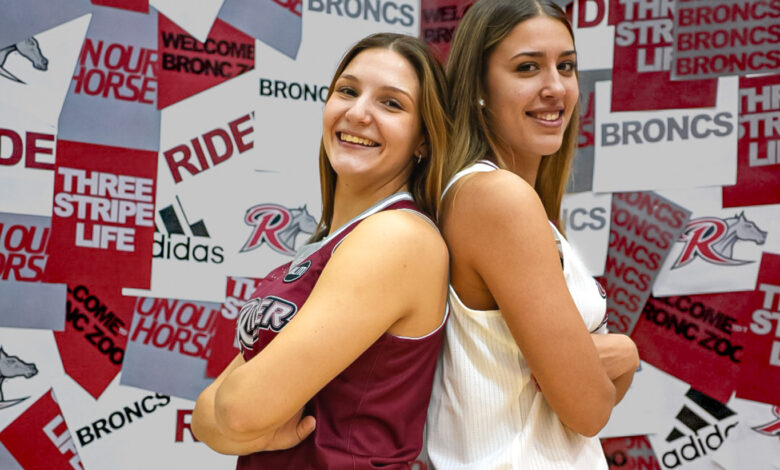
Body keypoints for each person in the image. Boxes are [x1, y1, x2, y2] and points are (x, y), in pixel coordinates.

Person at [191, 33, 450, 469]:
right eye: (347, 91)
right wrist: (227, 417)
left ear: (424, 139)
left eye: (392, 104)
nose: (358, 112)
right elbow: (205, 418)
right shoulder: (335, 241)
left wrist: (234, 416)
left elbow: (237, 409)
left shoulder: (396, 237)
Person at [425, 0, 640, 468]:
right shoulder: (498, 198)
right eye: (527, 68)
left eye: (566, 66)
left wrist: (597, 364)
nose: (555, 88)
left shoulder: (495, 196)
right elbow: (587, 407)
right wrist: (623, 351)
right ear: (478, 85)